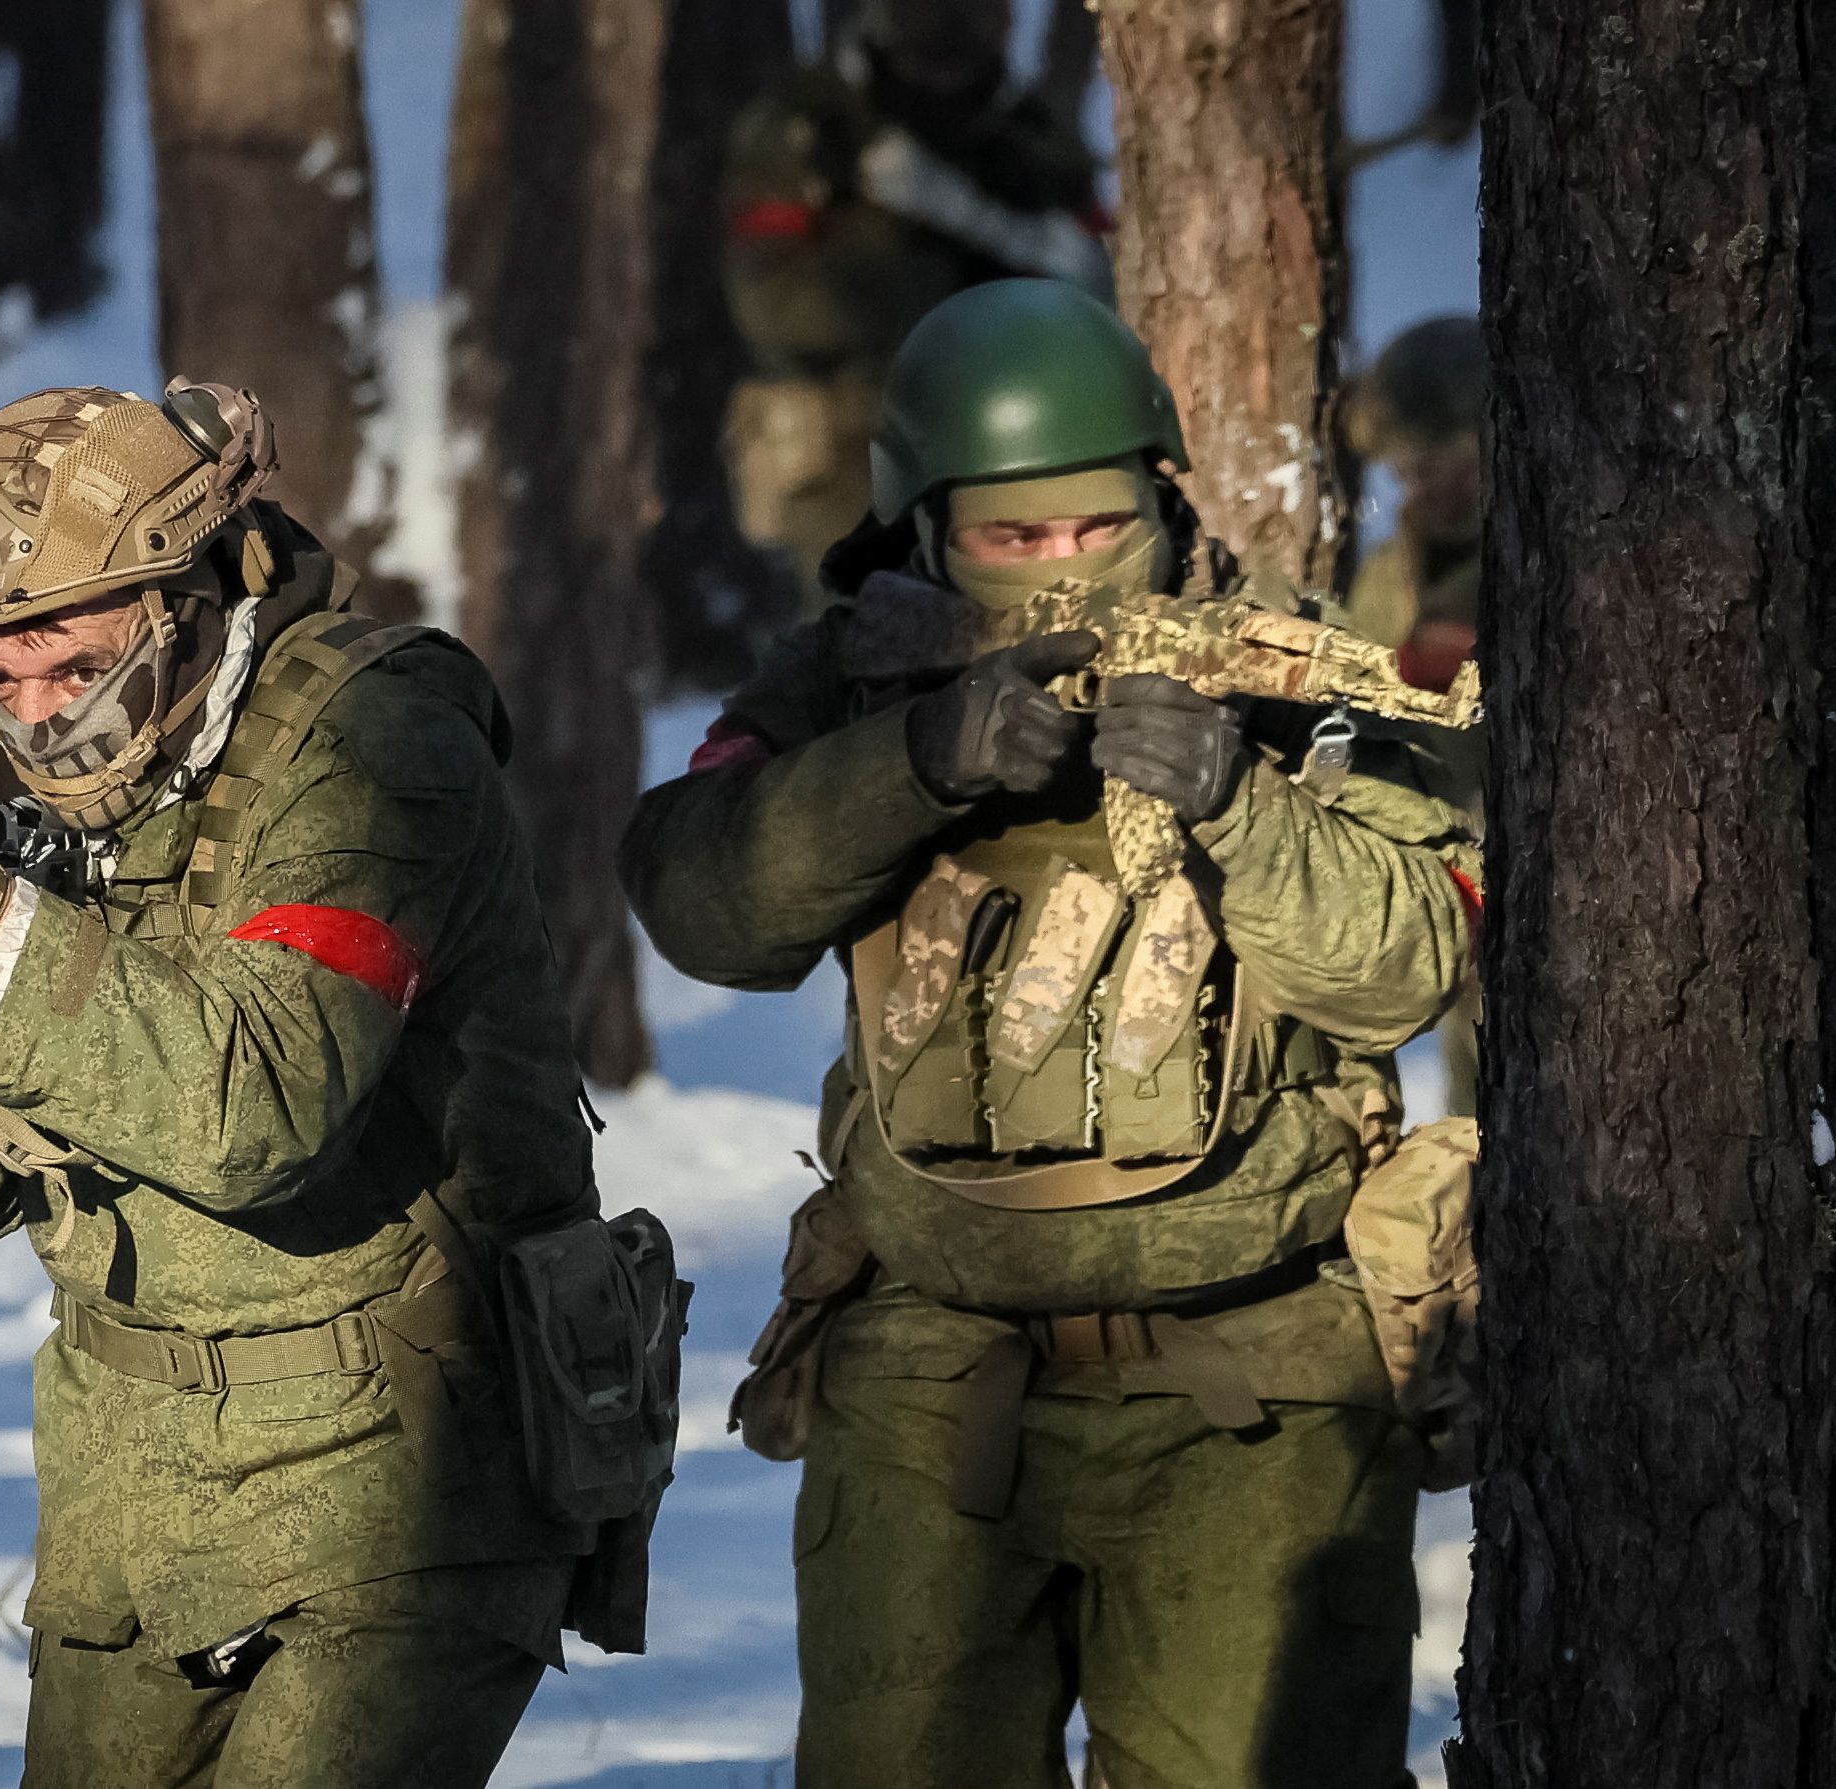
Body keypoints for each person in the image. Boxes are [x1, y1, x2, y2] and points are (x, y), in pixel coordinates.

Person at [620, 281, 1481, 1788]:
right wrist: (908, 765)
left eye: (1099, 527)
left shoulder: (1289, 672)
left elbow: (1398, 965)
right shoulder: (844, 676)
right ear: (922, 525)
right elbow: (703, 904)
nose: (1066, 567)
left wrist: (1240, 803)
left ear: (1158, 490)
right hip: (926, 1376)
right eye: (1013, 539)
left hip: (1254, 1393)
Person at [0, 382, 627, 1789]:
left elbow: (260, 1113)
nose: (37, 717)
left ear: (175, 594)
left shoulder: (374, 748)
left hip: (403, 1473)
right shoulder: (15, 787)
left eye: (69, 665)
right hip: (137, 1487)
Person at [721, 0, 1109, 605]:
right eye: (924, 62)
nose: (941, 82)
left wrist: (968, 218)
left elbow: (1099, 279)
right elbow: (772, 305)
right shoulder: (811, 130)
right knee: (868, 649)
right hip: (850, 442)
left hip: (1016, 439)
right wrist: (935, 286)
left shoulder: (1028, 134)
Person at [1343, 314, 1486, 1114]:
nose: (1426, 487)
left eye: (1447, 462)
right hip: (1444, 903)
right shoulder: (1385, 580)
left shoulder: (1560, 551)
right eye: (1409, 471)